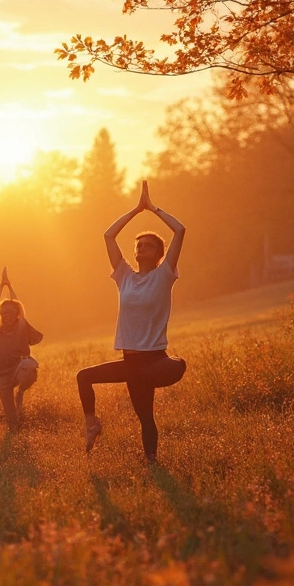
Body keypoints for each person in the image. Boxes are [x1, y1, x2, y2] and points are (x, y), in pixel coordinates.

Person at [77, 180, 187, 461]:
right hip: (131, 362)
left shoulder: (164, 276)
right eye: (138, 245)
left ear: (160, 254)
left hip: (154, 362)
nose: (141, 249)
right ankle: (93, 425)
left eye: (148, 246)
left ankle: (151, 460)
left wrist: (153, 209)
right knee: (85, 377)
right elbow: (108, 236)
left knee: (145, 408)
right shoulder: (124, 276)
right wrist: (136, 211)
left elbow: (180, 230)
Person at [0, 268, 44, 431]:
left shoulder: (21, 327)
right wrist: (1, 285)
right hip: (0, 374)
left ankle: (20, 392)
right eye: (4, 312)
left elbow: (19, 305)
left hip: (18, 369)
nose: (7, 315)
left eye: (11, 312)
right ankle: (14, 437)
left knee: (31, 369)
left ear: (16, 314)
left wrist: (10, 286)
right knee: (12, 421)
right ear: (0, 314)